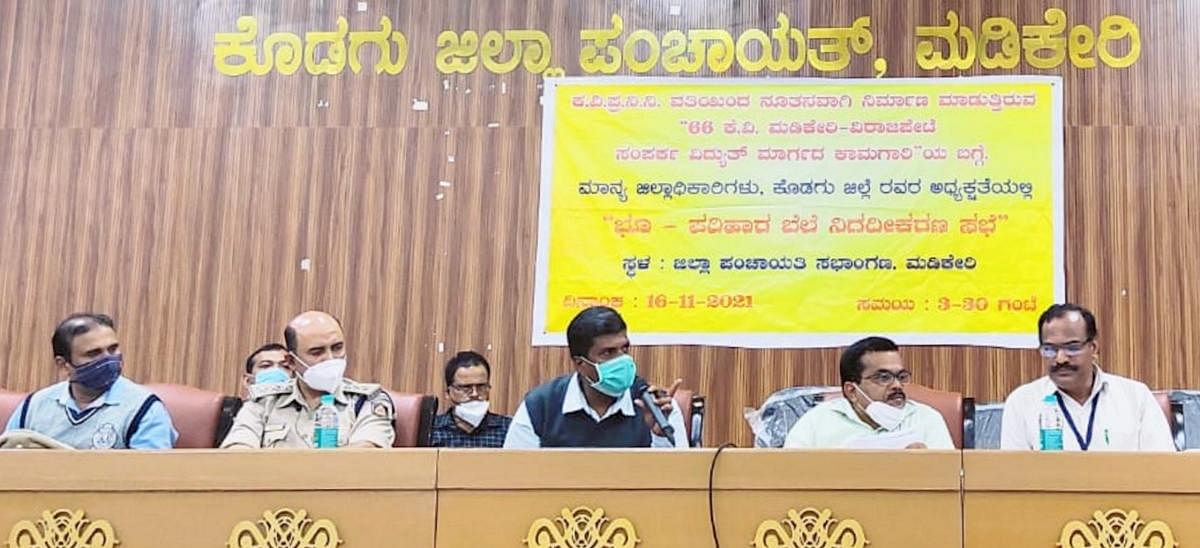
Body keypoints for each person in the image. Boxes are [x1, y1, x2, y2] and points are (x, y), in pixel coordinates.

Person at [503, 306, 687, 448]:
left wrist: (659, 435)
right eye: (608, 352)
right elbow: (513, 476)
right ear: (580, 363)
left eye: (624, 349)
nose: (622, 360)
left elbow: (681, 483)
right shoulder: (540, 406)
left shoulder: (657, 407)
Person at [1000, 303, 1175, 451]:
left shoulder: (1136, 397)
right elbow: (1013, 479)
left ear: (1094, 348)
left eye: (1072, 347)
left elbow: (1163, 469)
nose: (1060, 359)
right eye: (1050, 349)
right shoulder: (1022, 402)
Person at [220, 311, 395, 448]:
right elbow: (238, 454)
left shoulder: (367, 401)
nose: (330, 358)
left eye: (337, 348)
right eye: (317, 352)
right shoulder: (263, 401)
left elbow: (364, 457)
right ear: (291, 362)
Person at [2, 313, 177, 449]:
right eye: (93, 353)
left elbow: (150, 482)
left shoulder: (145, 409)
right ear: (63, 365)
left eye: (113, 349)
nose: (108, 359)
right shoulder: (34, 406)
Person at [784, 336, 953, 449]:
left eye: (901, 376)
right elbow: (788, 477)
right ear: (851, 391)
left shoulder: (927, 419)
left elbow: (950, 485)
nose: (897, 385)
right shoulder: (817, 422)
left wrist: (927, 467)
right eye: (883, 377)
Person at [430, 351, 512, 447]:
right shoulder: (431, 431)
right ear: (448, 393)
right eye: (466, 387)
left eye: (481, 386)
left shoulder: (508, 429)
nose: (475, 394)